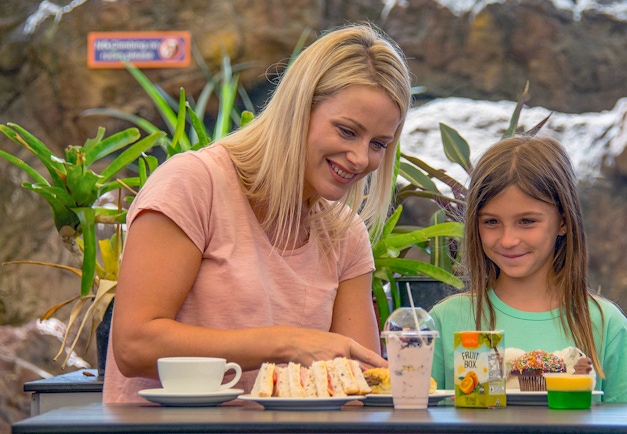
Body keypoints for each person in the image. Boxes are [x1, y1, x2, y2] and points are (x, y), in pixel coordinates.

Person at [103, 23, 412, 404]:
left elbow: (356, 383)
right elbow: (135, 346)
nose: (362, 158)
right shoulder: (194, 184)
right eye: (347, 131)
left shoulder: (345, 234)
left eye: (379, 143)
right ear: (300, 107)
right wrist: (284, 343)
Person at [430, 136, 627, 402]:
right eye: (491, 222)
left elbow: (626, 425)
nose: (508, 239)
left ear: (563, 221)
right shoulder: (444, 321)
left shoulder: (605, 324)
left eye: (526, 221)